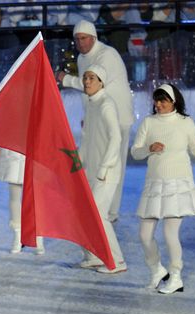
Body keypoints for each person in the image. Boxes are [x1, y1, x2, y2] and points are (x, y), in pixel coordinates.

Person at [130, 84, 195, 292]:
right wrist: (148, 149)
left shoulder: (185, 122)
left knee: (171, 234)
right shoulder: (149, 122)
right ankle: (156, 270)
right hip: (154, 184)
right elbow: (135, 152)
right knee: (144, 235)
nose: (158, 104)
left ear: (174, 101)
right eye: (156, 100)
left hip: (178, 184)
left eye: (163, 100)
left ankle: (176, 275)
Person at [56, 20, 134, 224]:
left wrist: (65, 79)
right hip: (98, 116)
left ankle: (111, 212)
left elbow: (95, 84)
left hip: (118, 117)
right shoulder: (83, 58)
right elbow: (90, 93)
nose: (81, 43)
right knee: (94, 161)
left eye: (84, 38)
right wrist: (88, 117)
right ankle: (99, 207)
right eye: (77, 39)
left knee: (114, 165)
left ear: (94, 38)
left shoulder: (107, 55)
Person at [76, 65, 126, 274]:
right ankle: (94, 255)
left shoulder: (106, 104)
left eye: (92, 78)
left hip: (107, 172)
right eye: (85, 78)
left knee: (98, 214)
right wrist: (76, 165)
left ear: (101, 82)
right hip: (92, 171)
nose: (87, 81)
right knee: (85, 213)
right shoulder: (91, 105)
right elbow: (87, 141)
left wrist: (106, 166)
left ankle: (117, 261)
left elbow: (116, 137)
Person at [0, 148, 44, 255]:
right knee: (14, 196)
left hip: (35, 152)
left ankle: (38, 236)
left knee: (36, 198)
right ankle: (18, 235)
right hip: (13, 151)